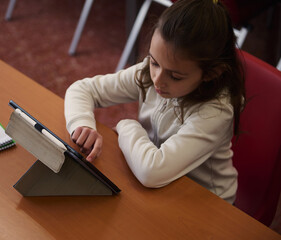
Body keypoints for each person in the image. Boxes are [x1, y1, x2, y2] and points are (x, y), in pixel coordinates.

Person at [64, 0, 245, 204]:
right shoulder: (149, 74)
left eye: (175, 76)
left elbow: (152, 172)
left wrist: (127, 125)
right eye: (154, 62)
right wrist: (82, 124)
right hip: (154, 178)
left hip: (206, 202)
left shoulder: (216, 112)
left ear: (211, 74)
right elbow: (82, 89)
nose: (157, 79)